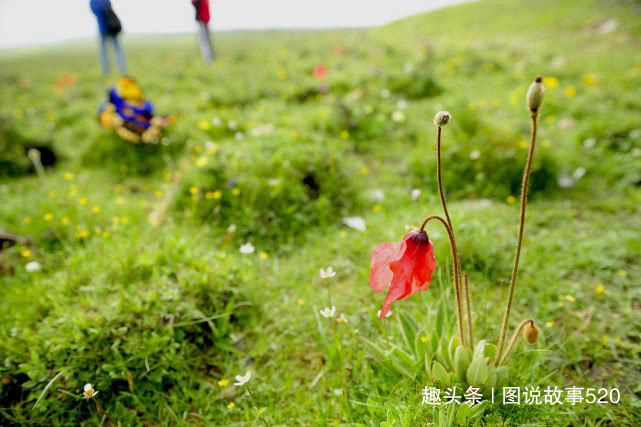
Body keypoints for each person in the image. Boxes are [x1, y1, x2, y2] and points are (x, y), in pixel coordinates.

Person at [90, 0, 127, 75]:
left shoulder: (93, 1)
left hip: (103, 28)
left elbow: (94, 11)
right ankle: (122, 69)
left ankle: (107, 71)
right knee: (117, 49)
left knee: (104, 51)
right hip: (111, 26)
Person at [192, 0, 214, 64]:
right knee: (207, 41)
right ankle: (210, 60)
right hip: (206, 19)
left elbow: (194, 2)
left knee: (204, 42)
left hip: (202, 20)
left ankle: (208, 61)